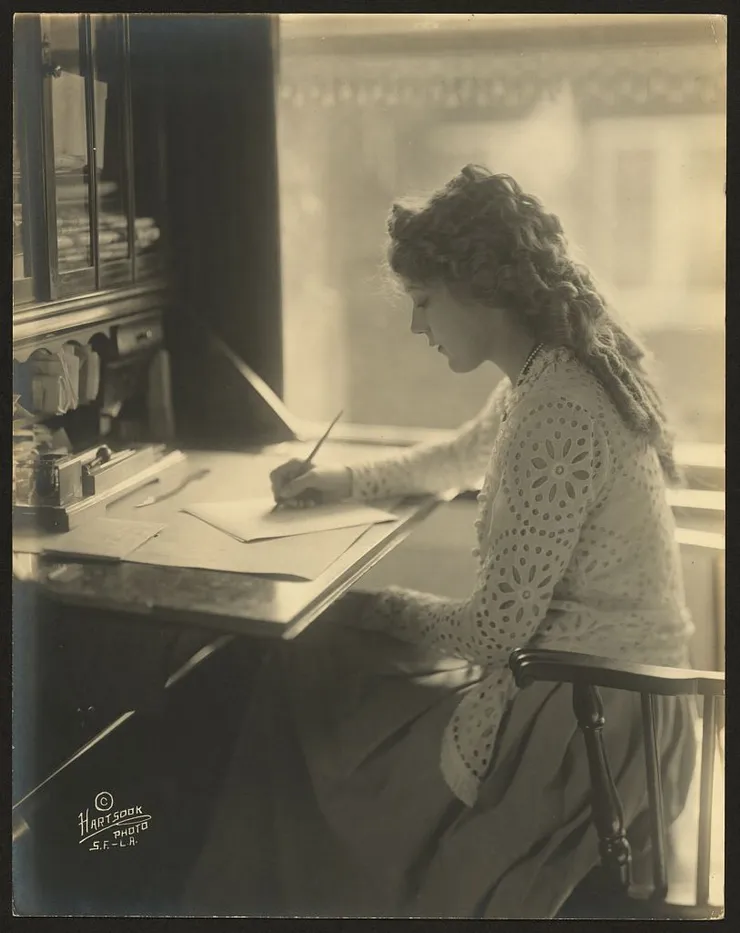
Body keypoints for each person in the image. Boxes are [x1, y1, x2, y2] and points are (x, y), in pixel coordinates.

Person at [184, 165, 697, 918]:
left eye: (424, 304)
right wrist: (340, 481)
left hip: (587, 731)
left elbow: (494, 630)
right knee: (322, 657)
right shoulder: (546, 369)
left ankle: (252, 899)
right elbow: (457, 456)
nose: (416, 327)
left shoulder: (557, 409)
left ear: (478, 288)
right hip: (595, 695)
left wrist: (377, 605)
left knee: (309, 669)